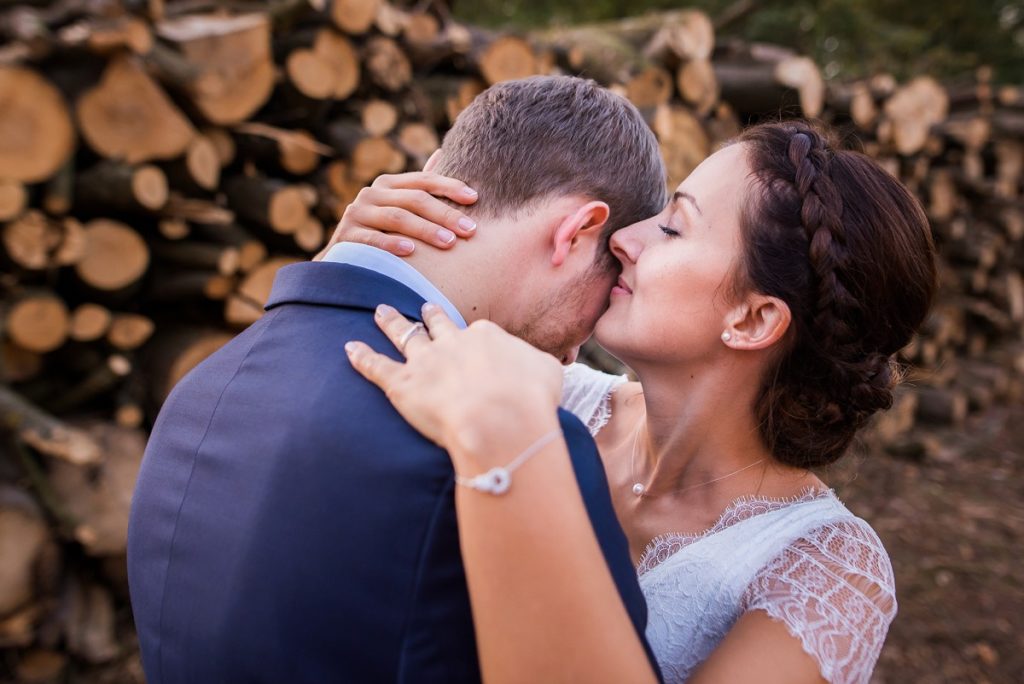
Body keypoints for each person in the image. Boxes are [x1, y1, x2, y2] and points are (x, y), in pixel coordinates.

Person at [343, 120, 938, 683]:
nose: (624, 239)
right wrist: (353, 259)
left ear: (754, 319)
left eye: (673, 227)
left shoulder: (829, 574)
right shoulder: (541, 389)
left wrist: (509, 449)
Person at [126, 76, 667, 683]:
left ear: (437, 168)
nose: (573, 358)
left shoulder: (201, 387)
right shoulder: (519, 448)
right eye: (607, 289)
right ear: (577, 231)